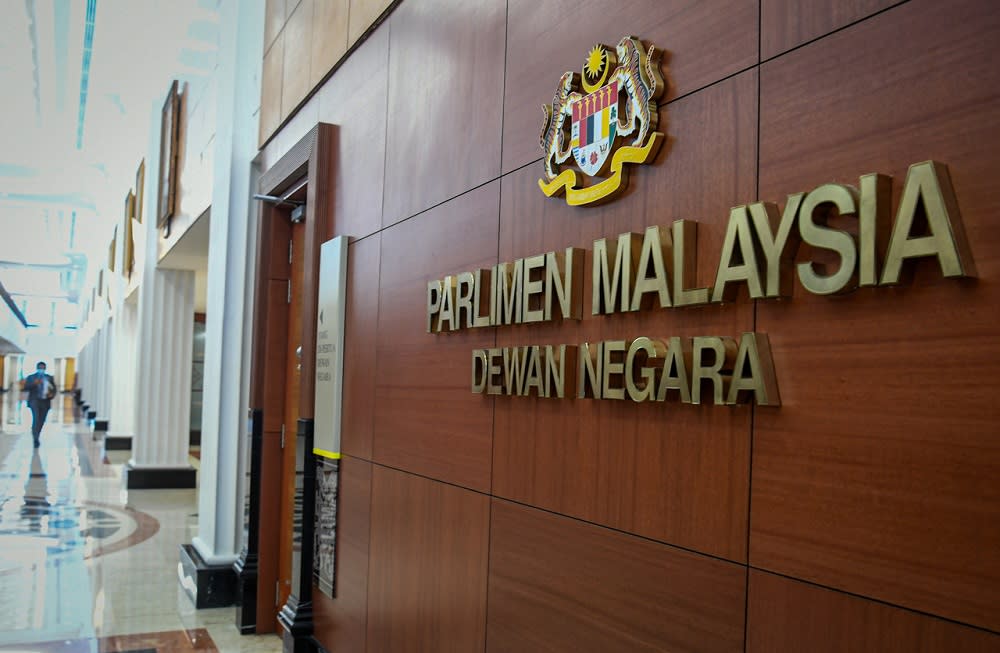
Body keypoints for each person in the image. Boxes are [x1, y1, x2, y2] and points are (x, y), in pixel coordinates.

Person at [24, 362, 57, 447]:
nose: (41, 369)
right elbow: (26, 387)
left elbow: (54, 389)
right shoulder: (31, 377)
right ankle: (35, 438)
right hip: (34, 401)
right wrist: (34, 383)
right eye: (40, 367)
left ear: (45, 368)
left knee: (41, 420)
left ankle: (36, 433)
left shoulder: (49, 378)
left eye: (43, 368)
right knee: (36, 418)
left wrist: (52, 394)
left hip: (45, 402)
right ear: (37, 368)